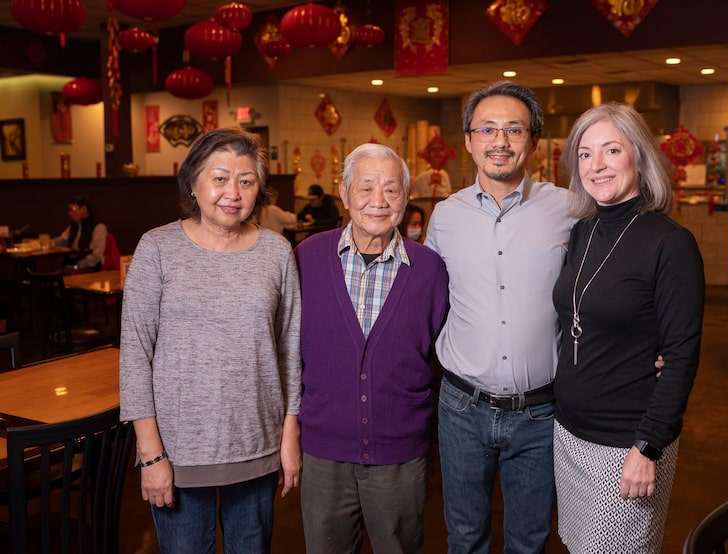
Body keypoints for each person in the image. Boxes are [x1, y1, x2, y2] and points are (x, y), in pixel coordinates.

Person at [119, 127, 302, 553]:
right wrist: (151, 456)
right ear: (193, 183)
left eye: (246, 180)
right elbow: (135, 356)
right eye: (219, 178)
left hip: (257, 446)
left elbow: (289, 352)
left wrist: (289, 438)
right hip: (178, 454)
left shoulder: (276, 252)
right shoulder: (158, 248)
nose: (232, 193)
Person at [424, 81, 573, 553]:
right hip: (461, 408)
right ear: (468, 140)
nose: (500, 141)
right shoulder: (445, 216)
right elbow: (424, 301)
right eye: (487, 129)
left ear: (532, 141)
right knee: (465, 537)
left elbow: (601, 290)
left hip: (541, 411)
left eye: (514, 129)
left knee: (529, 539)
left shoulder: (568, 209)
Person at [552, 102, 705, 553]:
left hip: (626, 445)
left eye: (611, 150)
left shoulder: (670, 244)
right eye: (584, 154)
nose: (595, 165)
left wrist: (648, 446)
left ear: (639, 157)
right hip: (569, 433)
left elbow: (680, 356)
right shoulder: (582, 232)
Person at [295, 143, 449, 553]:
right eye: (365, 189)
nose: (378, 202)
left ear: (405, 198)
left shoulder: (429, 269)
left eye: (391, 190)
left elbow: (435, 355)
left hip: (400, 452)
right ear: (344, 194)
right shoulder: (306, 258)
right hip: (324, 451)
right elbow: (290, 354)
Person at [54, 195, 107, 272]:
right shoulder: (74, 226)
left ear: (84, 209)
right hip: (70, 266)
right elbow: (62, 240)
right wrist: (46, 243)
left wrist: (76, 267)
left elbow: (96, 256)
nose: (69, 213)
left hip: (88, 270)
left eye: (73, 209)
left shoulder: (98, 227)